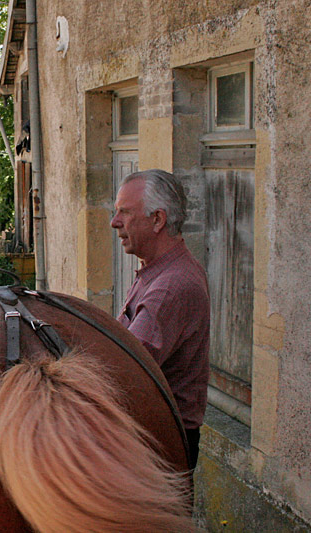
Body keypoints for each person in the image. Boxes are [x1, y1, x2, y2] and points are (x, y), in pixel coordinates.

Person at [110, 169, 210, 470]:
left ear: (158, 220)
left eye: (124, 213)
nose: (115, 223)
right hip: (157, 441)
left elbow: (123, 369)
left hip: (159, 448)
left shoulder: (171, 286)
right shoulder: (158, 270)